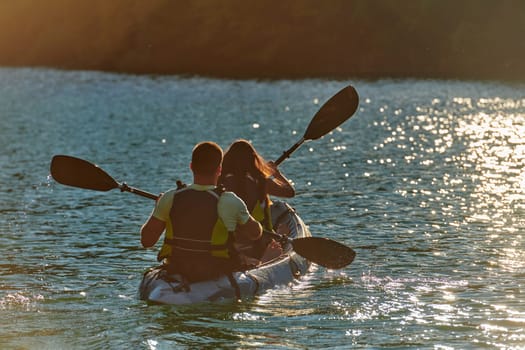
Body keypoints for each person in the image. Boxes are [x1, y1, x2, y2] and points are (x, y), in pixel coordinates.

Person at [140, 141, 263, 282]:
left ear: (191, 167)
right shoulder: (230, 201)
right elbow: (256, 234)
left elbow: (146, 241)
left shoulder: (170, 198)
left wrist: (159, 207)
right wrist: (239, 219)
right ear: (219, 170)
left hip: (176, 267)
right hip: (215, 270)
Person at [219, 139, 295, 260]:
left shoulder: (220, 183)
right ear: (252, 160)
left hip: (228, 244)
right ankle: (280, 235)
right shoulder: (260, 182)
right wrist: (276, 173)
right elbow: (290, 192)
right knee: (284, 230)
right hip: (260, 244)